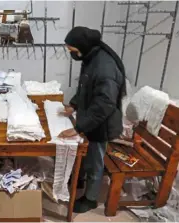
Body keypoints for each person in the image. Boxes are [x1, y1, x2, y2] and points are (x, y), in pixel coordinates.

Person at [58, 26, 126, 213]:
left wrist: (79, 127)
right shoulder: (92, 58)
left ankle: (91, 199)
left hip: (101, 123)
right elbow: (85, 86)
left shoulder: (104, 67)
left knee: (95, 161)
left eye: (72, 50)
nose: (72, 54)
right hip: (91, 118)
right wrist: (74, 105)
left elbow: (104, 104)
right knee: (86, 155)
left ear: (82, 46)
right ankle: (79, 180)